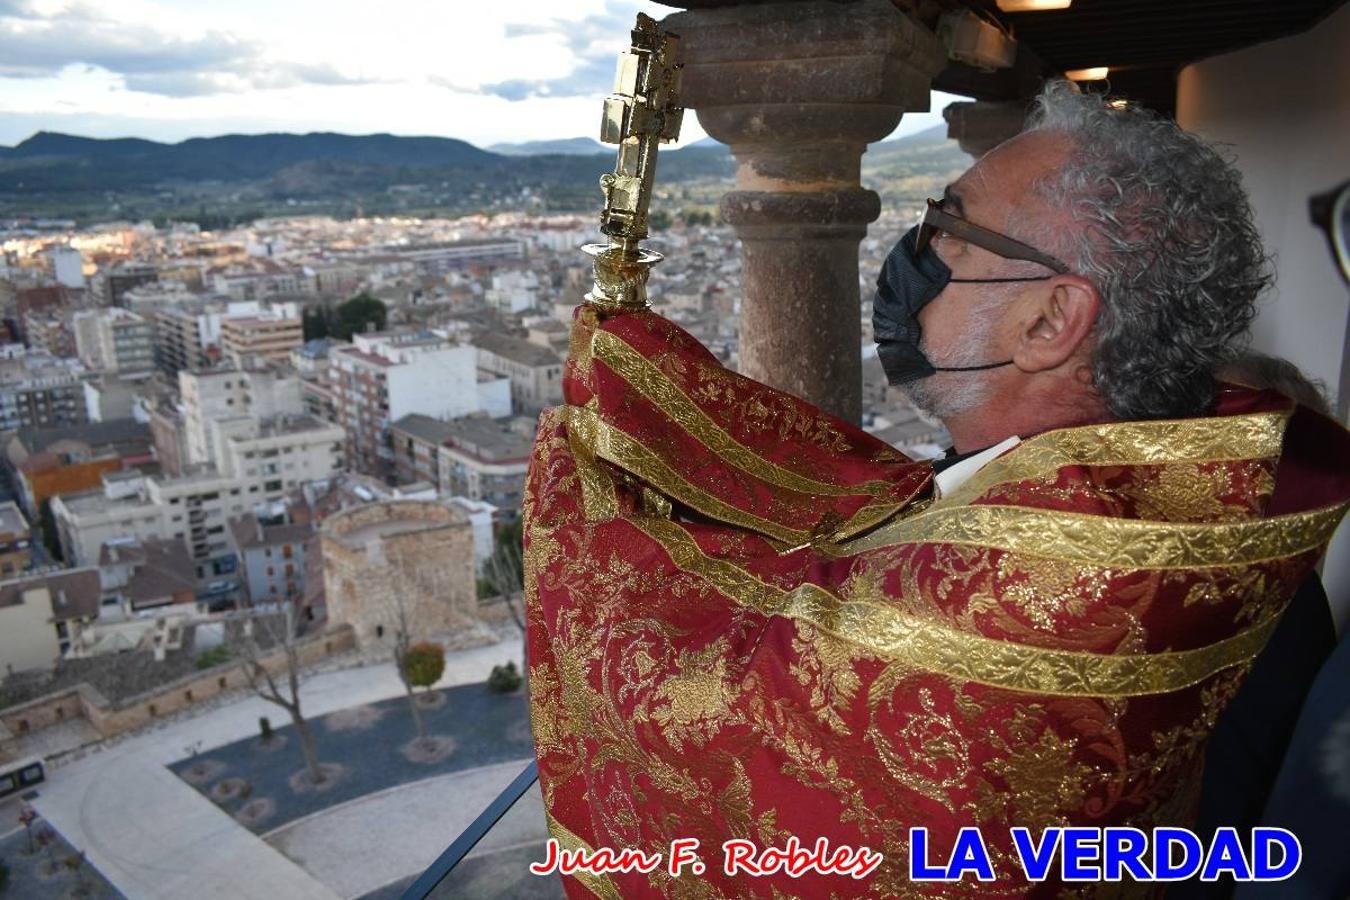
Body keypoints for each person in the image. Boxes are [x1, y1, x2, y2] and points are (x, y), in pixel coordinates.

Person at [523, 80, 1350, 897]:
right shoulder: (1090, 504)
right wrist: (644, 389)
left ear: (1049, 321)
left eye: (950, 226)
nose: (915, 252)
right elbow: (861, 491)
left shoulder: (1047, 593)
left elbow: (714, 727)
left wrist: (576, 477)